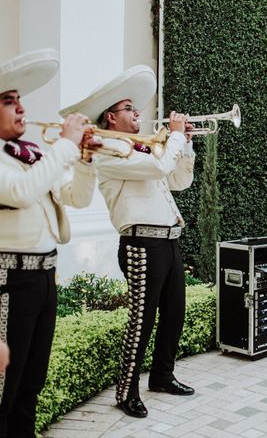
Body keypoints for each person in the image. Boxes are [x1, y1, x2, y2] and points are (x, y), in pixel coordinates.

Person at [59, 65, 196, 418]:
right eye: (129, 109)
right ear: (111, 117)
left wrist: (186, 146)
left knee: (174, 314)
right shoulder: (108, 150)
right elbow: (159, 168)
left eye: (136, 108)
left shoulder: (143, 148)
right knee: (142, 320)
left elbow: (178, 180)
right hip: (141, 243)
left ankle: (163, 376)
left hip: (168, 239)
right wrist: (176, 137)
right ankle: (126, 391)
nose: (138, 113)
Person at [0, 49, 97, 437]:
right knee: (4, 388)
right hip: (9, 279)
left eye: (20, 100)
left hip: (43, 278)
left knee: (30, 383)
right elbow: (22, 193)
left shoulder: (33, 156)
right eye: (9, 102)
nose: (22, 109)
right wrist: (67, 145)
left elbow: (75, 198)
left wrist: (87, 159)